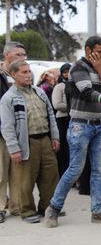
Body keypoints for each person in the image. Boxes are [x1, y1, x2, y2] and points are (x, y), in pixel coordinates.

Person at [43, 36, 101, 228]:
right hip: (80, 125)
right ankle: (53, 208)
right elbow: (87, 93)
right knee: (75, 169)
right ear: (87, 50)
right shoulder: (78, 68)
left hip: (98, 125)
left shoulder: (97, 68)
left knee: (99, 170)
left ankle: (97, 211)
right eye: (99, 52)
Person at [0, 60, 60, 223]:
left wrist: (54, 137)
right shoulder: (9, 98)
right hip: (26, 142)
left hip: (45, 140)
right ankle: (27, 212)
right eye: (24, 72)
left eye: (29, 71)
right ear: (13, 75)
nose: (28, 75)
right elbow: (7, 127)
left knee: (50, 176)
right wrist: (14, 149)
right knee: (25, 179)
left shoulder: (39, 92)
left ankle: (48, 208)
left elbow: (51, 115)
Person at [0, 41, 28, 222]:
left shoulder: (17, 76)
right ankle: (1, 207)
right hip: (2, 131)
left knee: (17, 173)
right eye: (18, 55)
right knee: (1, 173)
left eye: (24, 55)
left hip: (18, 131)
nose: (22, 58)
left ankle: (17, 206)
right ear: (7, 56)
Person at [52, 63, 71, 177]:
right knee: (63, 147)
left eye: (69, 71)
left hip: (72, 118)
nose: (67, 74)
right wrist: (71, 107)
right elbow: (57, 104)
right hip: (62, 119)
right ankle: (62, 172)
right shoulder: (59, 87)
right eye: (65, 72)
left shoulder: (76, 85)